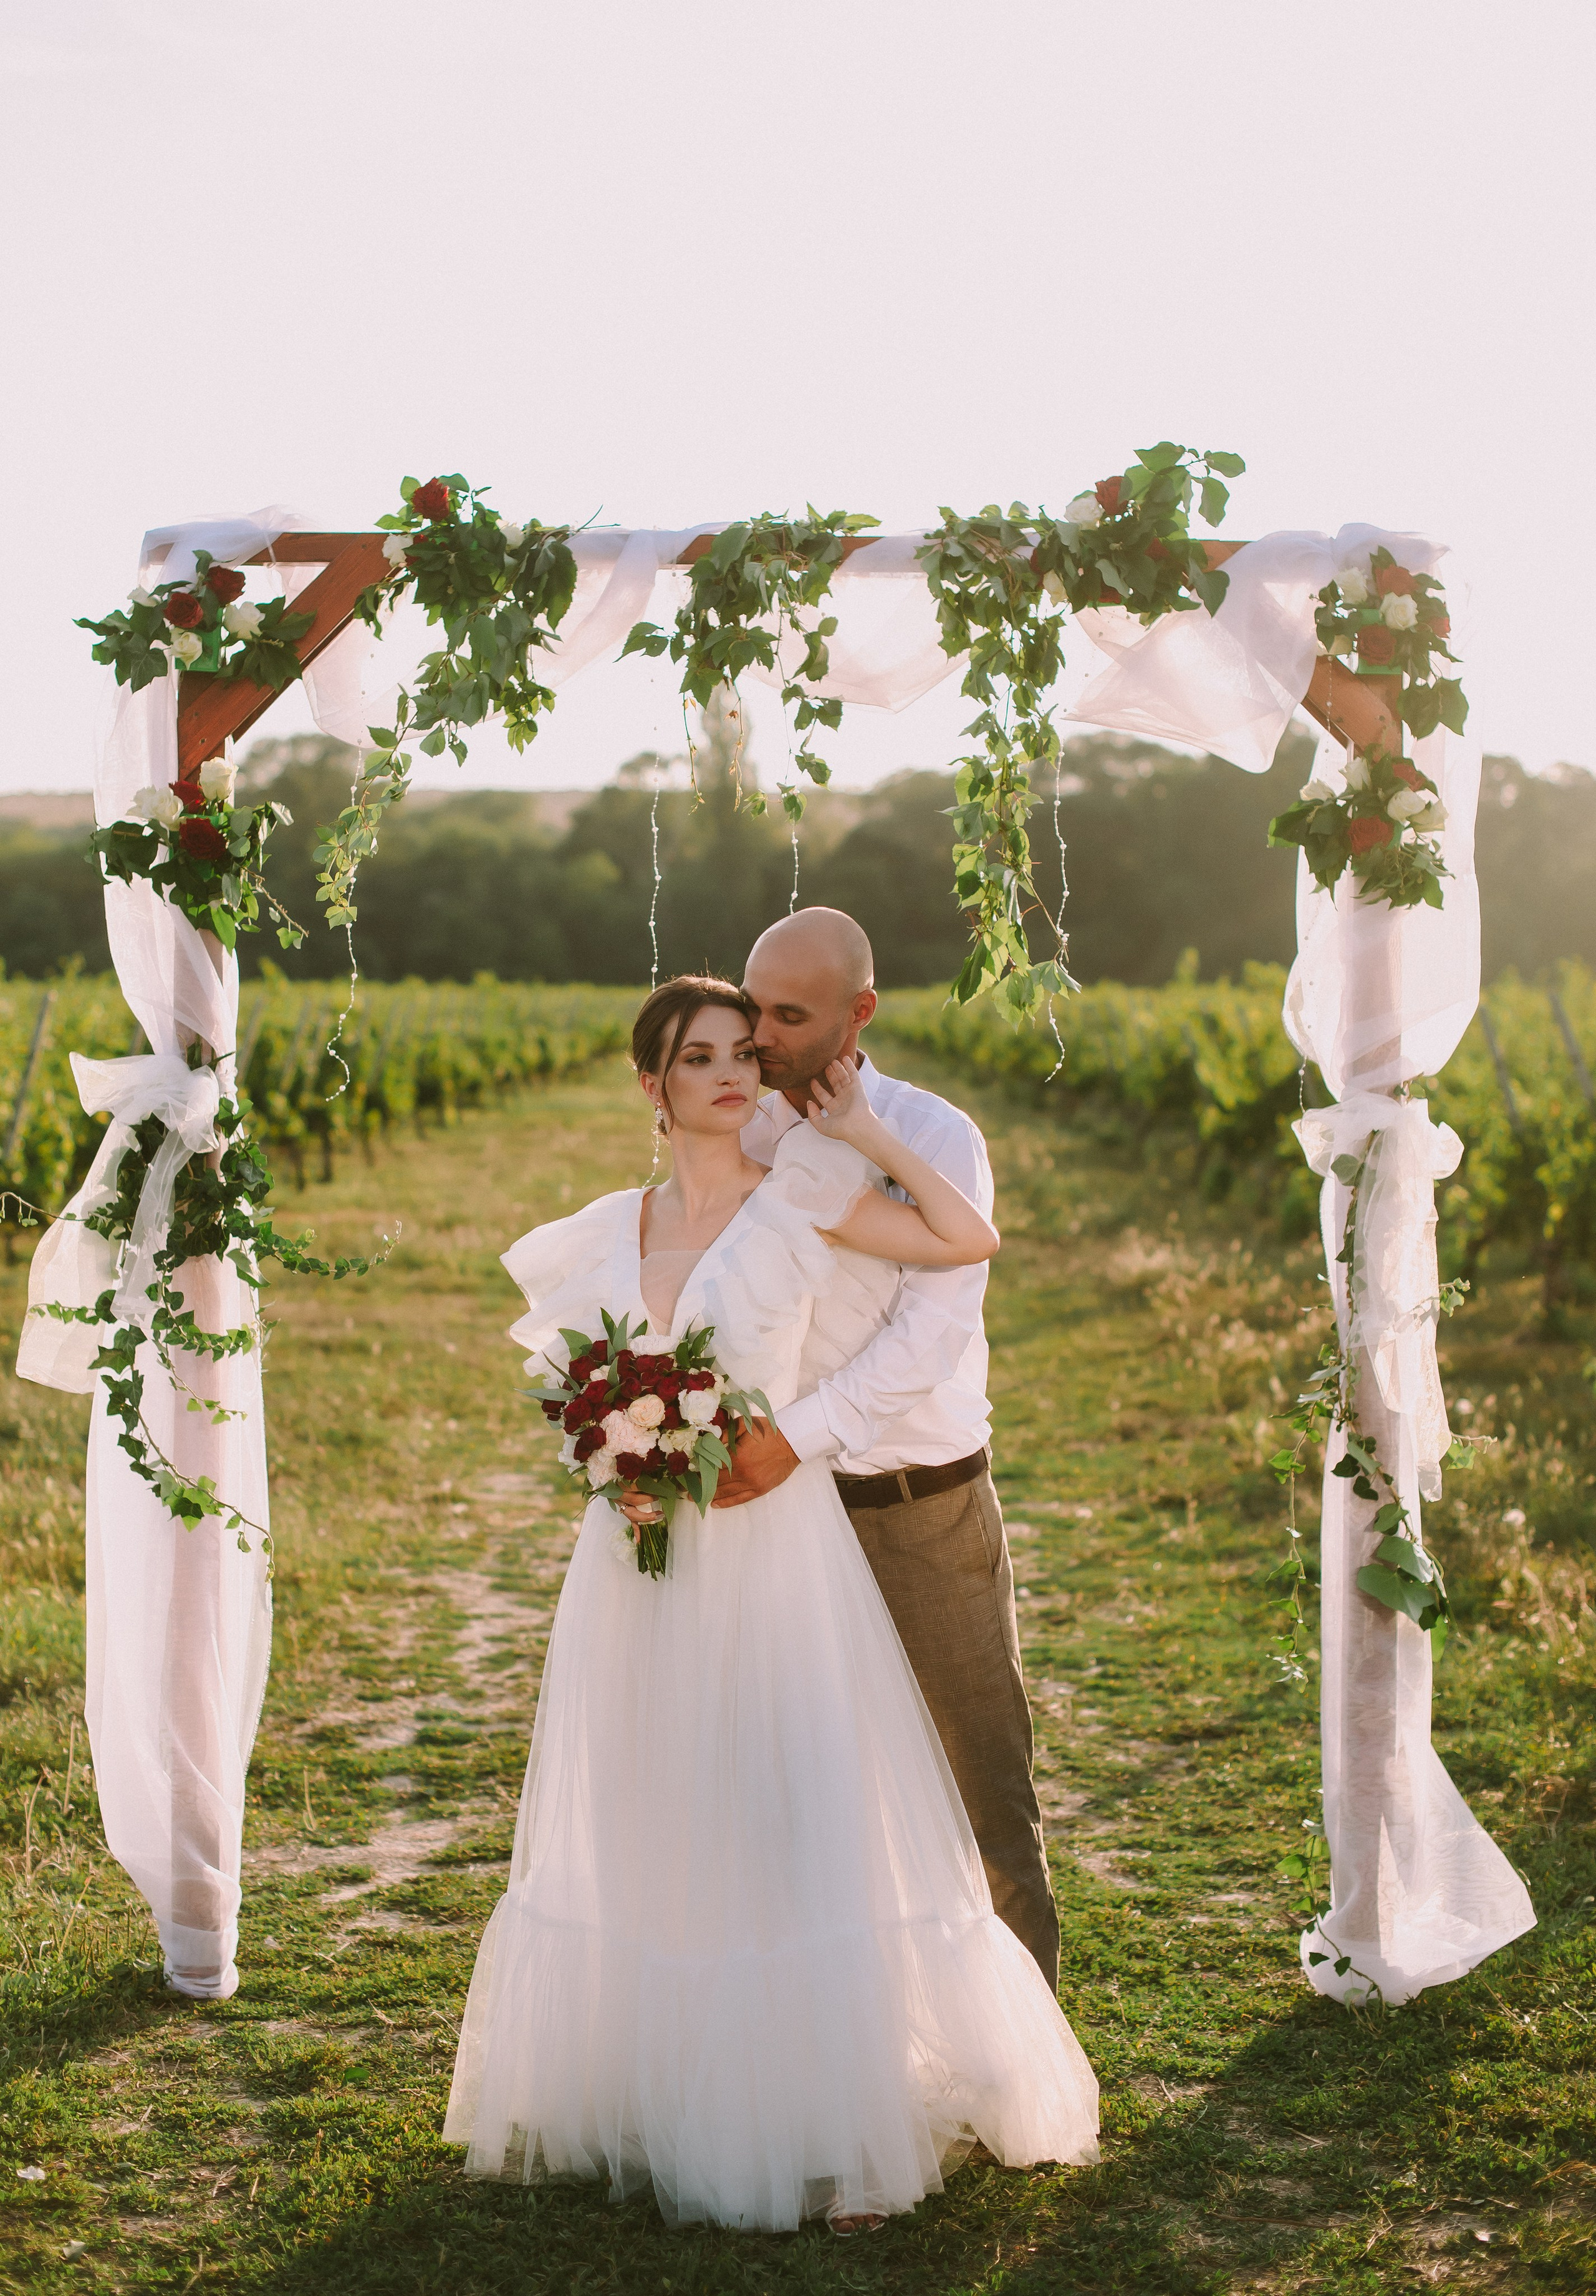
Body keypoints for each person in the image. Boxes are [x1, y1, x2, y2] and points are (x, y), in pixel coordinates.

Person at [445, 975, 1097, 2234]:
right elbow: (579, 1395)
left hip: (776, 1545)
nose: (734, 1073)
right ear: (653, 1084)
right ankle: (673, 2086)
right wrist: (612, 1461)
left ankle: (841, 2121)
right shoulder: (601, 1230)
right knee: (669, 1806)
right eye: (701, 1057)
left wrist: (859, 1132)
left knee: (800, 1808)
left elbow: (966, 1237)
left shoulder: (801, 1190)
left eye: (745, 1050)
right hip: (643, 1559)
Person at [721, 908, 1060, 1989]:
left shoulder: (936, 1136)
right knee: (812, 1800)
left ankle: (1029, 2060)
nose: (761, 1033)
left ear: (859, 1012)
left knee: (982, 1793)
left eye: (788, 1013)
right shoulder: (742, 1135)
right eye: (751, 1005)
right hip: (787, 1518)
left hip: (922, 1503)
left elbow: (931, 1336)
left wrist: (794, 1440)